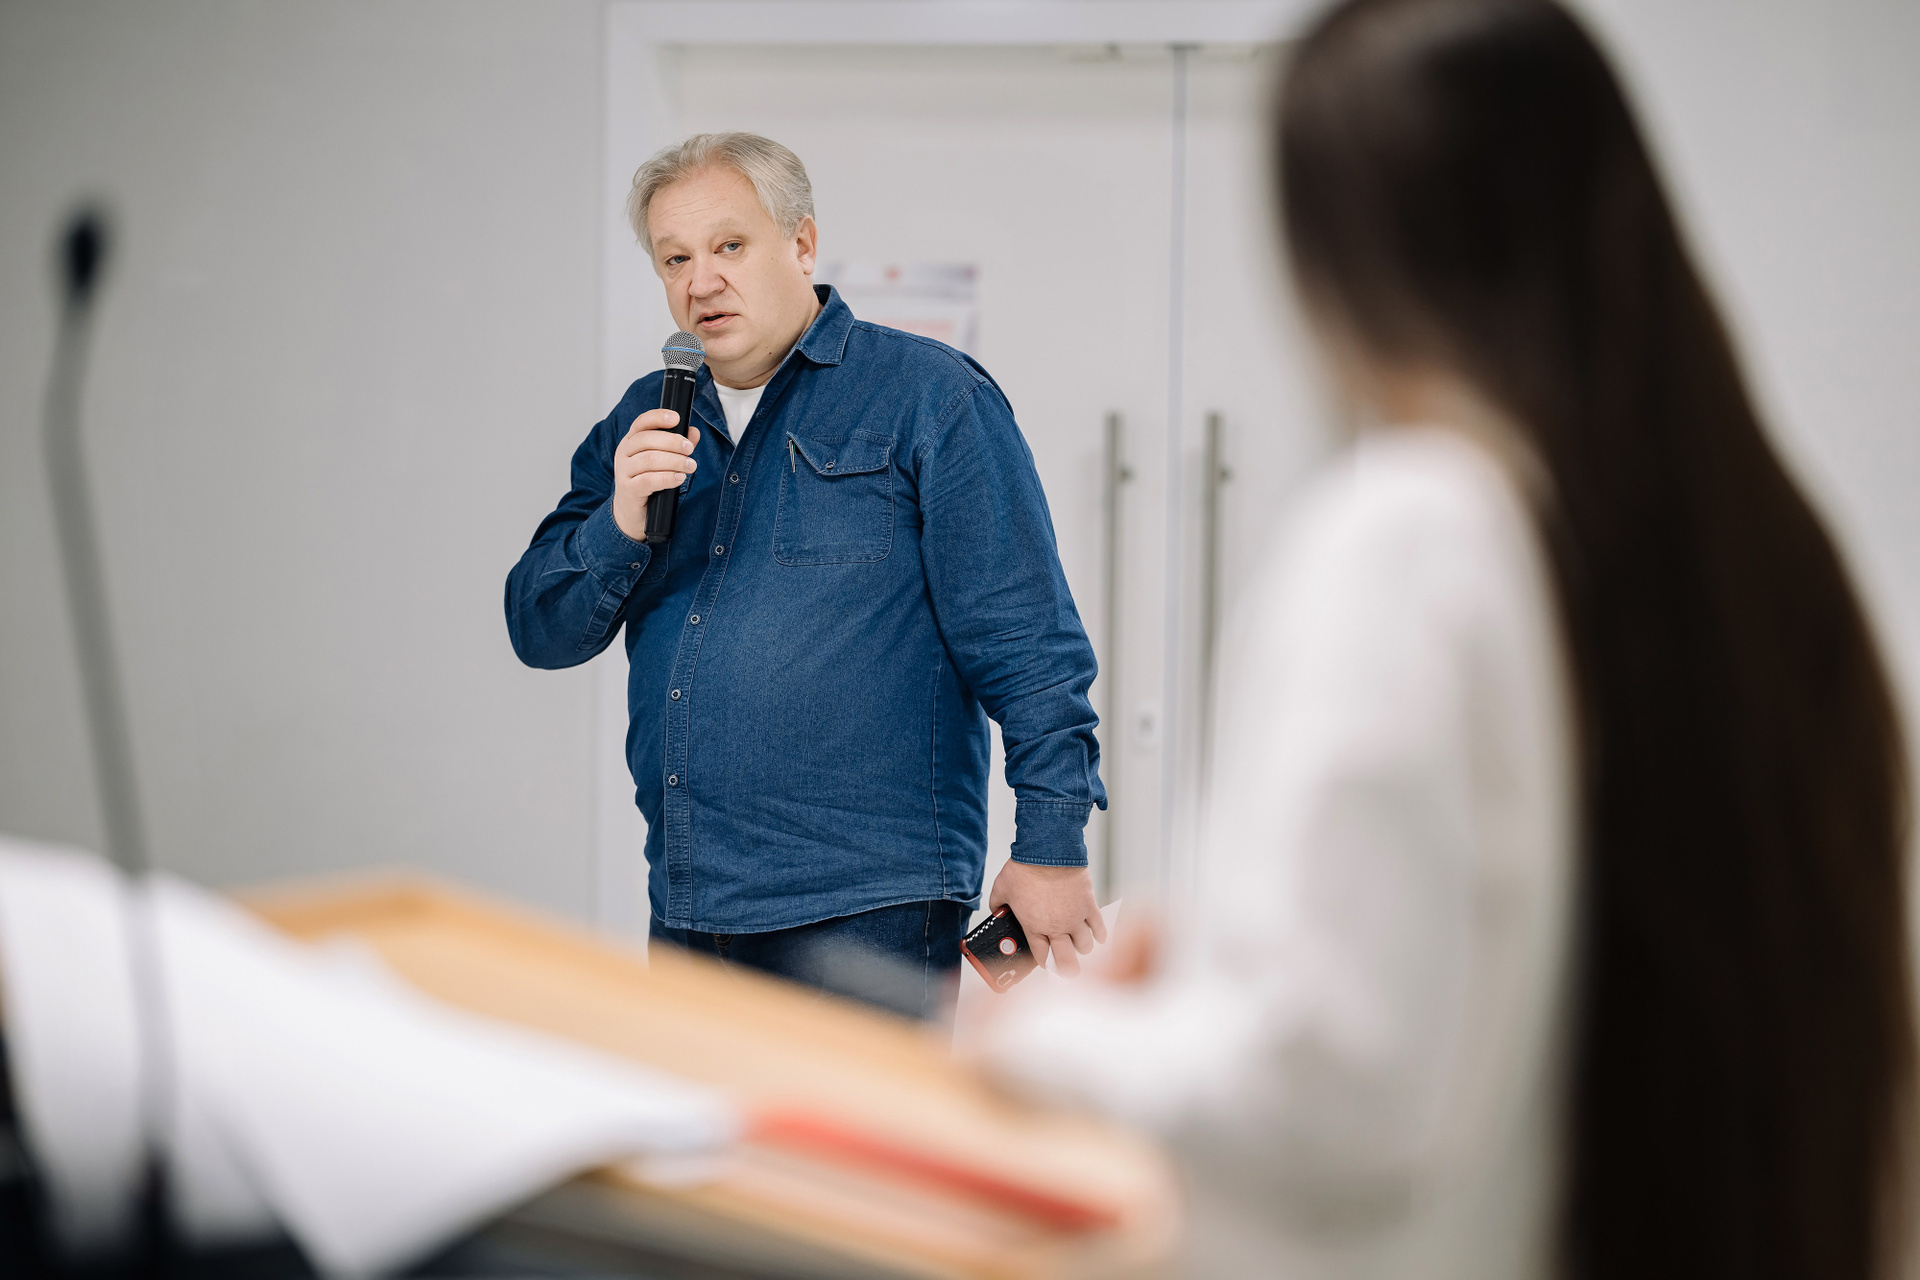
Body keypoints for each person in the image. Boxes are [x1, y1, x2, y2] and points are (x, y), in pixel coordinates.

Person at [983, 1, 1916, 1276]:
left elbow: (1329, 1089)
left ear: (1343, 261)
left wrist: (1049, 1040)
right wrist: (1199, 988)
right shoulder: (1760, 571)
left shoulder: (1418, 529)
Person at [505, 133, 1107, 1019]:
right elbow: (538, 628)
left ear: (802, 243)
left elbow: (1028, 641)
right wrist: (619, 523)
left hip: (870, 911)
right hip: (690, 906)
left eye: (729, 245)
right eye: (675, 258)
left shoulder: (930, 397)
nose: (701, 281)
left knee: (853, 1122)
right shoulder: (646, 418)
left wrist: (1051, 844)